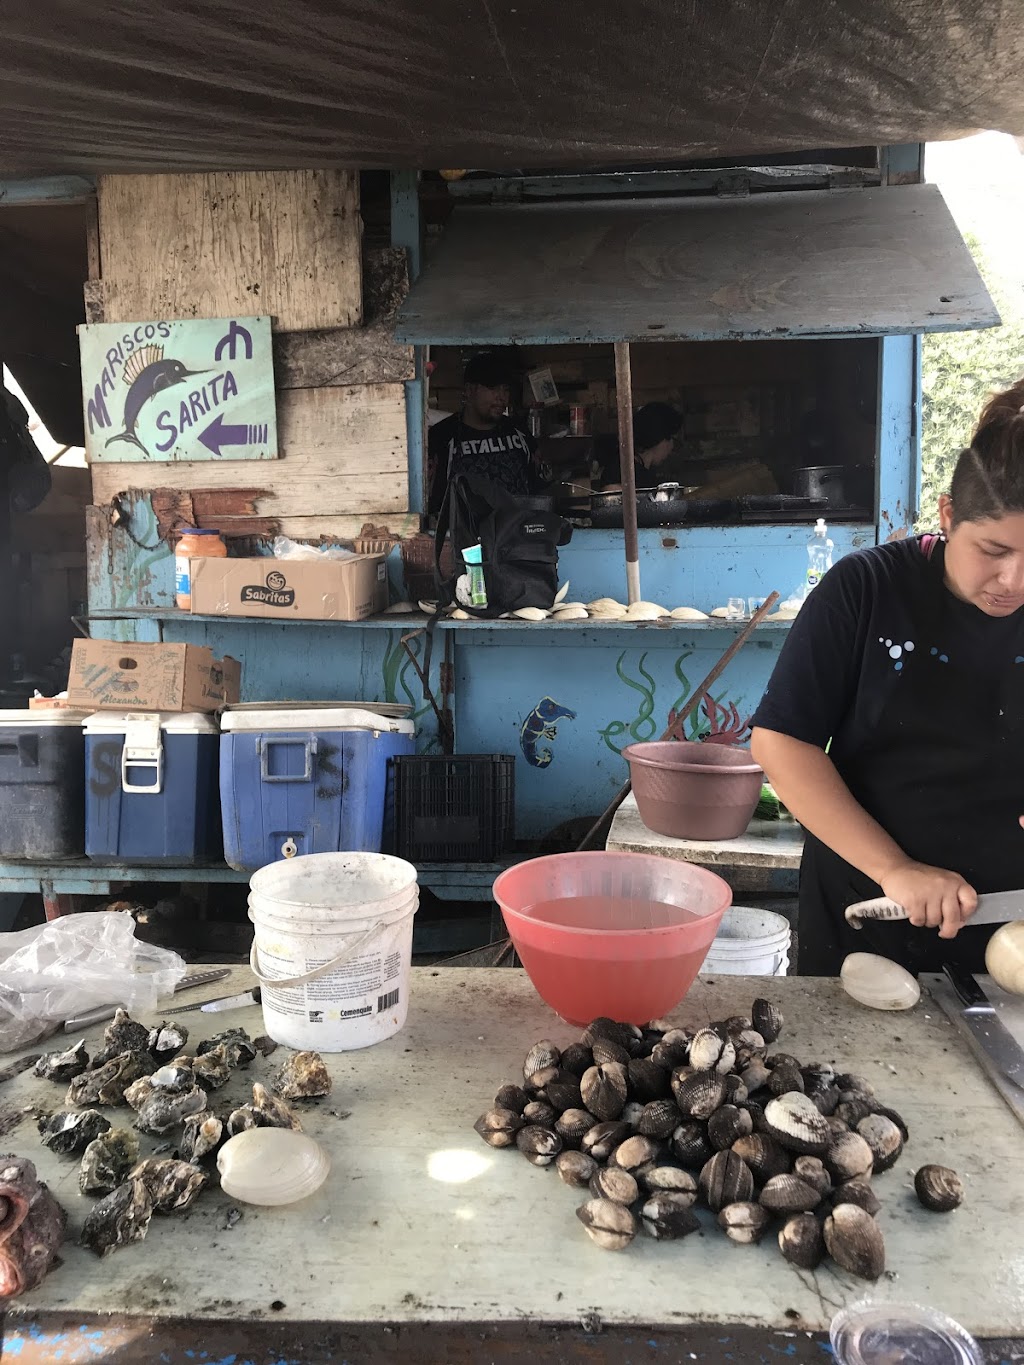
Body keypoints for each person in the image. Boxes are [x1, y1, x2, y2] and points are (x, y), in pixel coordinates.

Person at [750, 378, 1024, 976]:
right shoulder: (866, 590)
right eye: (994, 550)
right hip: (869, 914)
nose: (1014, 582)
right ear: (949, 515)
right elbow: (780, 740)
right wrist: (896, 869)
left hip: (1012, 931)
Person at [427, 353, 542, 517]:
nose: (501, 397)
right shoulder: (443, 436)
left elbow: (536, 486)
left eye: (506, 389)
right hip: (462, 537)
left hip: (515, 533)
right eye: (493, 388)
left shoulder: (519, 432)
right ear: (469, 390)